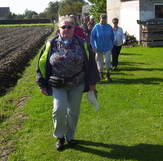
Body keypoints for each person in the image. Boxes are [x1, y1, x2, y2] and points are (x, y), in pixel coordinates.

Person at [36, 16, 100, 151]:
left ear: (74, 28)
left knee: (73, 112)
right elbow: (41, 64)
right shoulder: (50, 44)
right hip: (57, 85)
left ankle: (70, 136)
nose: (66, 29)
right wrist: (41, 83)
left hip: (77, 84)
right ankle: (60, 136)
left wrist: (92, 82)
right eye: (63, 27)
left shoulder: (82, 43)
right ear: (59, 28)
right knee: (59, 109)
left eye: (69, 27)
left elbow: (91, 63)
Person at [91, 13, 114, 81]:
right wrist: (93, 46)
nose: (103, 22)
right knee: (99, 61)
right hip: (98, 46)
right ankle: (101, 74)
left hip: (108, 46)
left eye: (104, 21)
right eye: (101, 21)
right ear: (99, 20)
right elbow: (92, 37)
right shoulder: (96, 27)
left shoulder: (109, 27)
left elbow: (112, 36)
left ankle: (108, 75)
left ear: (106, 20)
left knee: (107, 60)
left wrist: (111, 44)